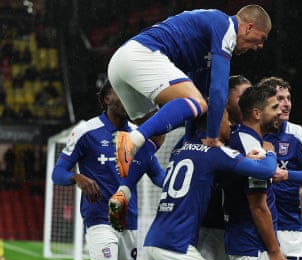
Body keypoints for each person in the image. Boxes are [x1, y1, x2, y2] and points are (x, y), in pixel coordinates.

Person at [108, 5, 272, 177]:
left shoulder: (206, 48)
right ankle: (132, 139)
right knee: (199, 103)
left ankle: (122, 191)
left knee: (155, 135)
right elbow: (218, 90)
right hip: (142, 55)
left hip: (119, 64)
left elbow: (194, 103)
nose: (259, 46)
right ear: (249, 27)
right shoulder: (225, 26)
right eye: (261, 38)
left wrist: (188, 139)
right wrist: (212, 136)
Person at [141, 109, 277, 260]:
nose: (231, 124)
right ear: (216, 123)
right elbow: (266, 170)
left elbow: (208, 179)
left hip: (152, 241)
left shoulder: (180, 150)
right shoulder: (215, 152)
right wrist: (270, 152)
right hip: (177, 246)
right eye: (227, 119)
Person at [52, 80, 165, 260]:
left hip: (129, 220)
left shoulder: (139, 136)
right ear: (107, 99)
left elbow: (158, 176)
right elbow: (57, 173)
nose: (128, 100)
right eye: (122, 94)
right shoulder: (86, 132)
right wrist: (77, 177)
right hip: (99, 218)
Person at [259, 76, 302, 260]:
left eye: (288, 98)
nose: (286, 104)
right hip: (253, 225)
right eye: (280, 99)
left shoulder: (298, 134)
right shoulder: (250, 134)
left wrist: (286, 175)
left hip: (289, 227)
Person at [223, 85, 287, 260]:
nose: (279, 112)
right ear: (256, 114)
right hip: (253, 248)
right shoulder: (251, 147)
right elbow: (258, 206)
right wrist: (274, 252)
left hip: (245, 244)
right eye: (274, 107)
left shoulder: (240, 138)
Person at [197, 74, 252, 260]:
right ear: (225, 100)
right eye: (243, 96)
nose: (249, 101)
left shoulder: (252, 136)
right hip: (209, 225)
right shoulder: (203, 138)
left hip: (240, 231)